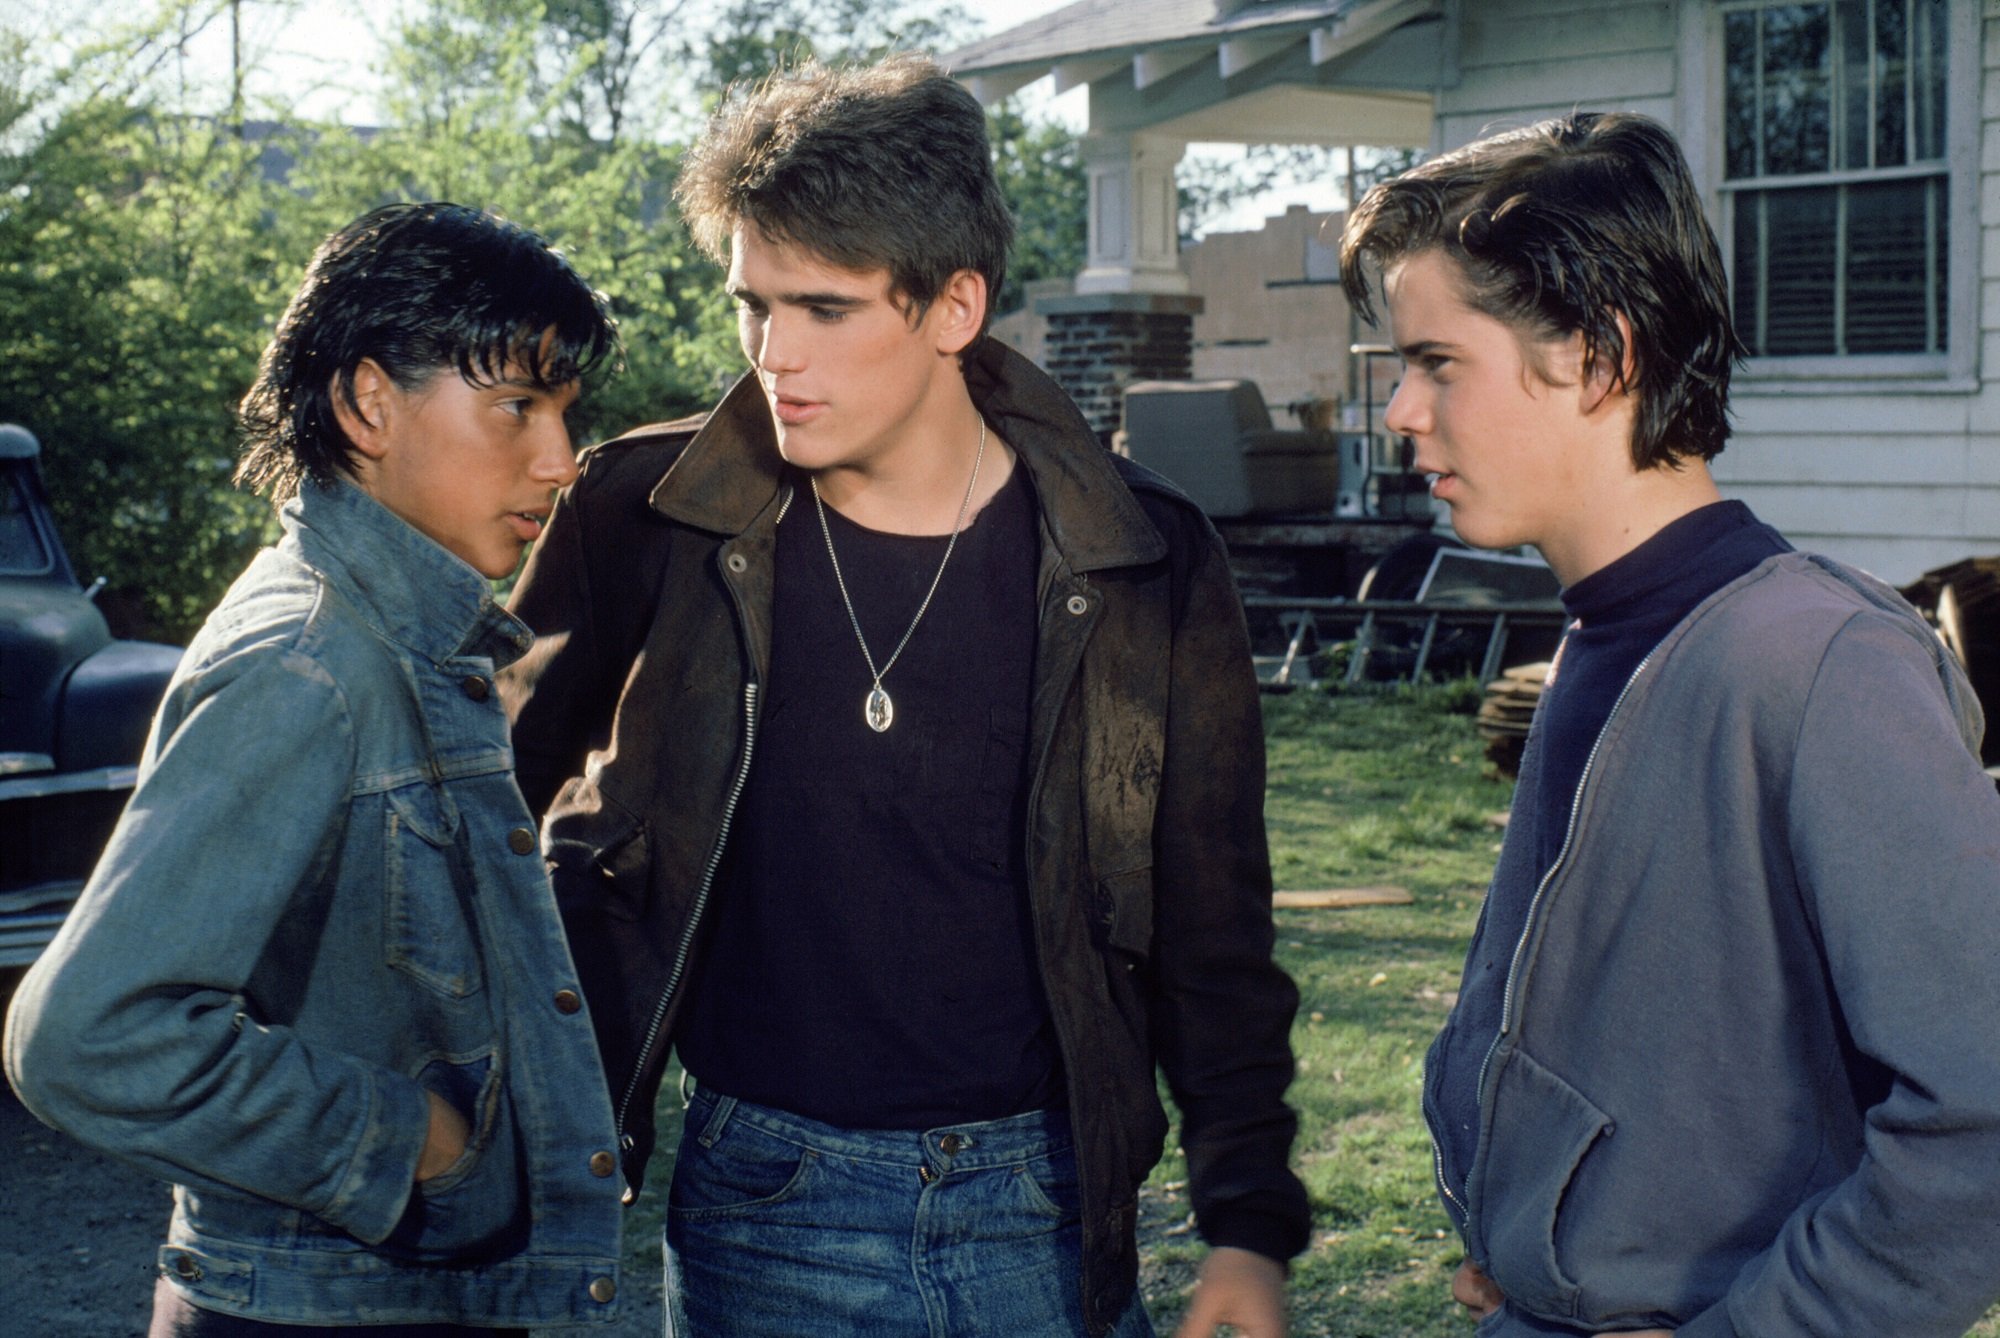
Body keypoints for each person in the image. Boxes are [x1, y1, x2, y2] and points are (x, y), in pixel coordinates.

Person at [500, 54, 1309, 1338]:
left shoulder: (1138, 555)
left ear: (953, 307)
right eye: (751, 305)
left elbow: (1211, 919)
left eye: (823, 308)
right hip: (766, 1201)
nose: (773, 355)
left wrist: (1245, 1225)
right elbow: (476, 832)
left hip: (1045, 1206)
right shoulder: (642, 519)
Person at [1339, 111, 2000, 1337]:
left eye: (1434, 362)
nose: (1399, 414)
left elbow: (1981, 1108)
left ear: (1596, 359)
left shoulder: (1816, 664)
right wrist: (1538, 1247)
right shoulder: (1600, 637)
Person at [3, 202, 627, 1335]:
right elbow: (83, 1036)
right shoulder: (310, 666)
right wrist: (408, 1146)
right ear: (367, 402)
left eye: (565, 415)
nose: (559, 461)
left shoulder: (396, 638)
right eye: (517, 408)